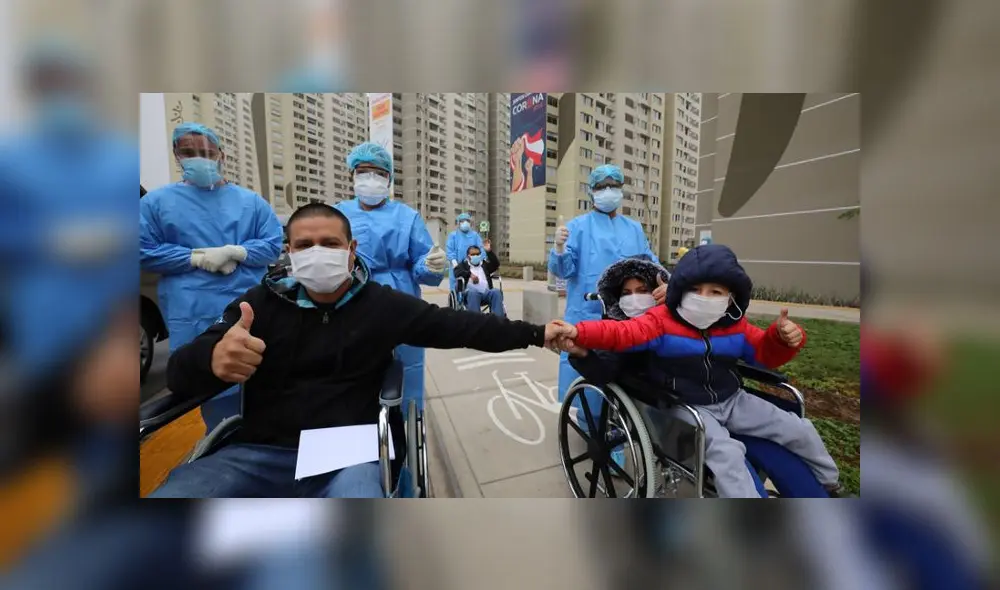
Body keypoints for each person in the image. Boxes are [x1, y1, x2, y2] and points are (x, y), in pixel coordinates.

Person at [149, 204, 573, 497]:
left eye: (330, 244)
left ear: (351, 252)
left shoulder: (381, 306)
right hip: (258, 452)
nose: (318, 253)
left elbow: (462, 325)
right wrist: (212, 359)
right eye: (305, 245)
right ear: (289, 253)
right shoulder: (258, 305)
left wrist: (537, 333)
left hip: (347, 456)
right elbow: (180, 373)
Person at [555, 244, 841, 498]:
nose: (704, 298)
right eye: (695, 290)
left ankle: (829, 485)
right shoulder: (658, 323)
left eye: (715, 292)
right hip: (687, 405)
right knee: (727, 455)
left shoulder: (735, 326)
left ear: (730, 297)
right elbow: (617, 334)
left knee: (797, 427)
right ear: (681, 291)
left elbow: (763, 352)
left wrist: (781, 338)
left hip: (731, 398)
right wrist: (578, 334)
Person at [140, 122, 283, 431]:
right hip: (191, 308)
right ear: (177, 155)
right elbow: (140, 249)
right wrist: (195, 258)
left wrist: (237, 251)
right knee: (207, 380)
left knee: (261, 377)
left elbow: (273, 244)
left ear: (221, 155)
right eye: (189, 152)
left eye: (206, 152)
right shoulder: (155, 204)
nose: (199, 158)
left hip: (247, 304)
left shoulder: (251, 203)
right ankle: (220, 440)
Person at [547, 164, 665, 443]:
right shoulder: (577, 227)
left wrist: (667, 283)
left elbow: (651, 265)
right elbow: (564, 271)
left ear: (621, 190)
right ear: (591, 191)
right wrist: (559, 249)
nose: (608, 191)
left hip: (632, 315)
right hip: (590, 314)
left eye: (613, 186)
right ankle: (595, 430)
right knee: (592, 377)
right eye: (602, 187)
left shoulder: (634, 229)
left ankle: (626, 428)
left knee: (632, 376)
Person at [335, 142, 447, 411]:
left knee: (407, 364)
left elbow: (421, 262)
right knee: (351, 366)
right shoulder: (338, 213)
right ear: (352, 175)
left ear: (389, 179)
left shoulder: (407, 217)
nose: (371, 178)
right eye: (363, 171)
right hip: (350, 300)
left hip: (400, 300)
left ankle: (407, 421)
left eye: (379, 173)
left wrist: (431, 266)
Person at [453, 241, 504, 317]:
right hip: (470, 293)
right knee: (473, 293)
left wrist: (489, 251)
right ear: (468, 256)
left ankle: (498, 320)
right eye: (473, 254)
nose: (476, 256)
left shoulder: (484, 265)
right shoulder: (464, 265)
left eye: (478, 254)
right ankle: (476, 320)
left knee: (496, 292)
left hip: (486, 292)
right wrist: (470, 274)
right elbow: (456, 272)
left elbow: (496, 264)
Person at [445, 212, 484, 289]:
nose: (465, 223)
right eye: (462, 221)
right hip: (457, 267)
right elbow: (449, 250)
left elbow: (481, 249)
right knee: (457, 287)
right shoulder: (453, 235)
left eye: (467, 221)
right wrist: (455, 263)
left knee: (475, 288)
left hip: (474, 267)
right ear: (458, 223)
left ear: (470, 223)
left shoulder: (475, 236)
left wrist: (481, 260)